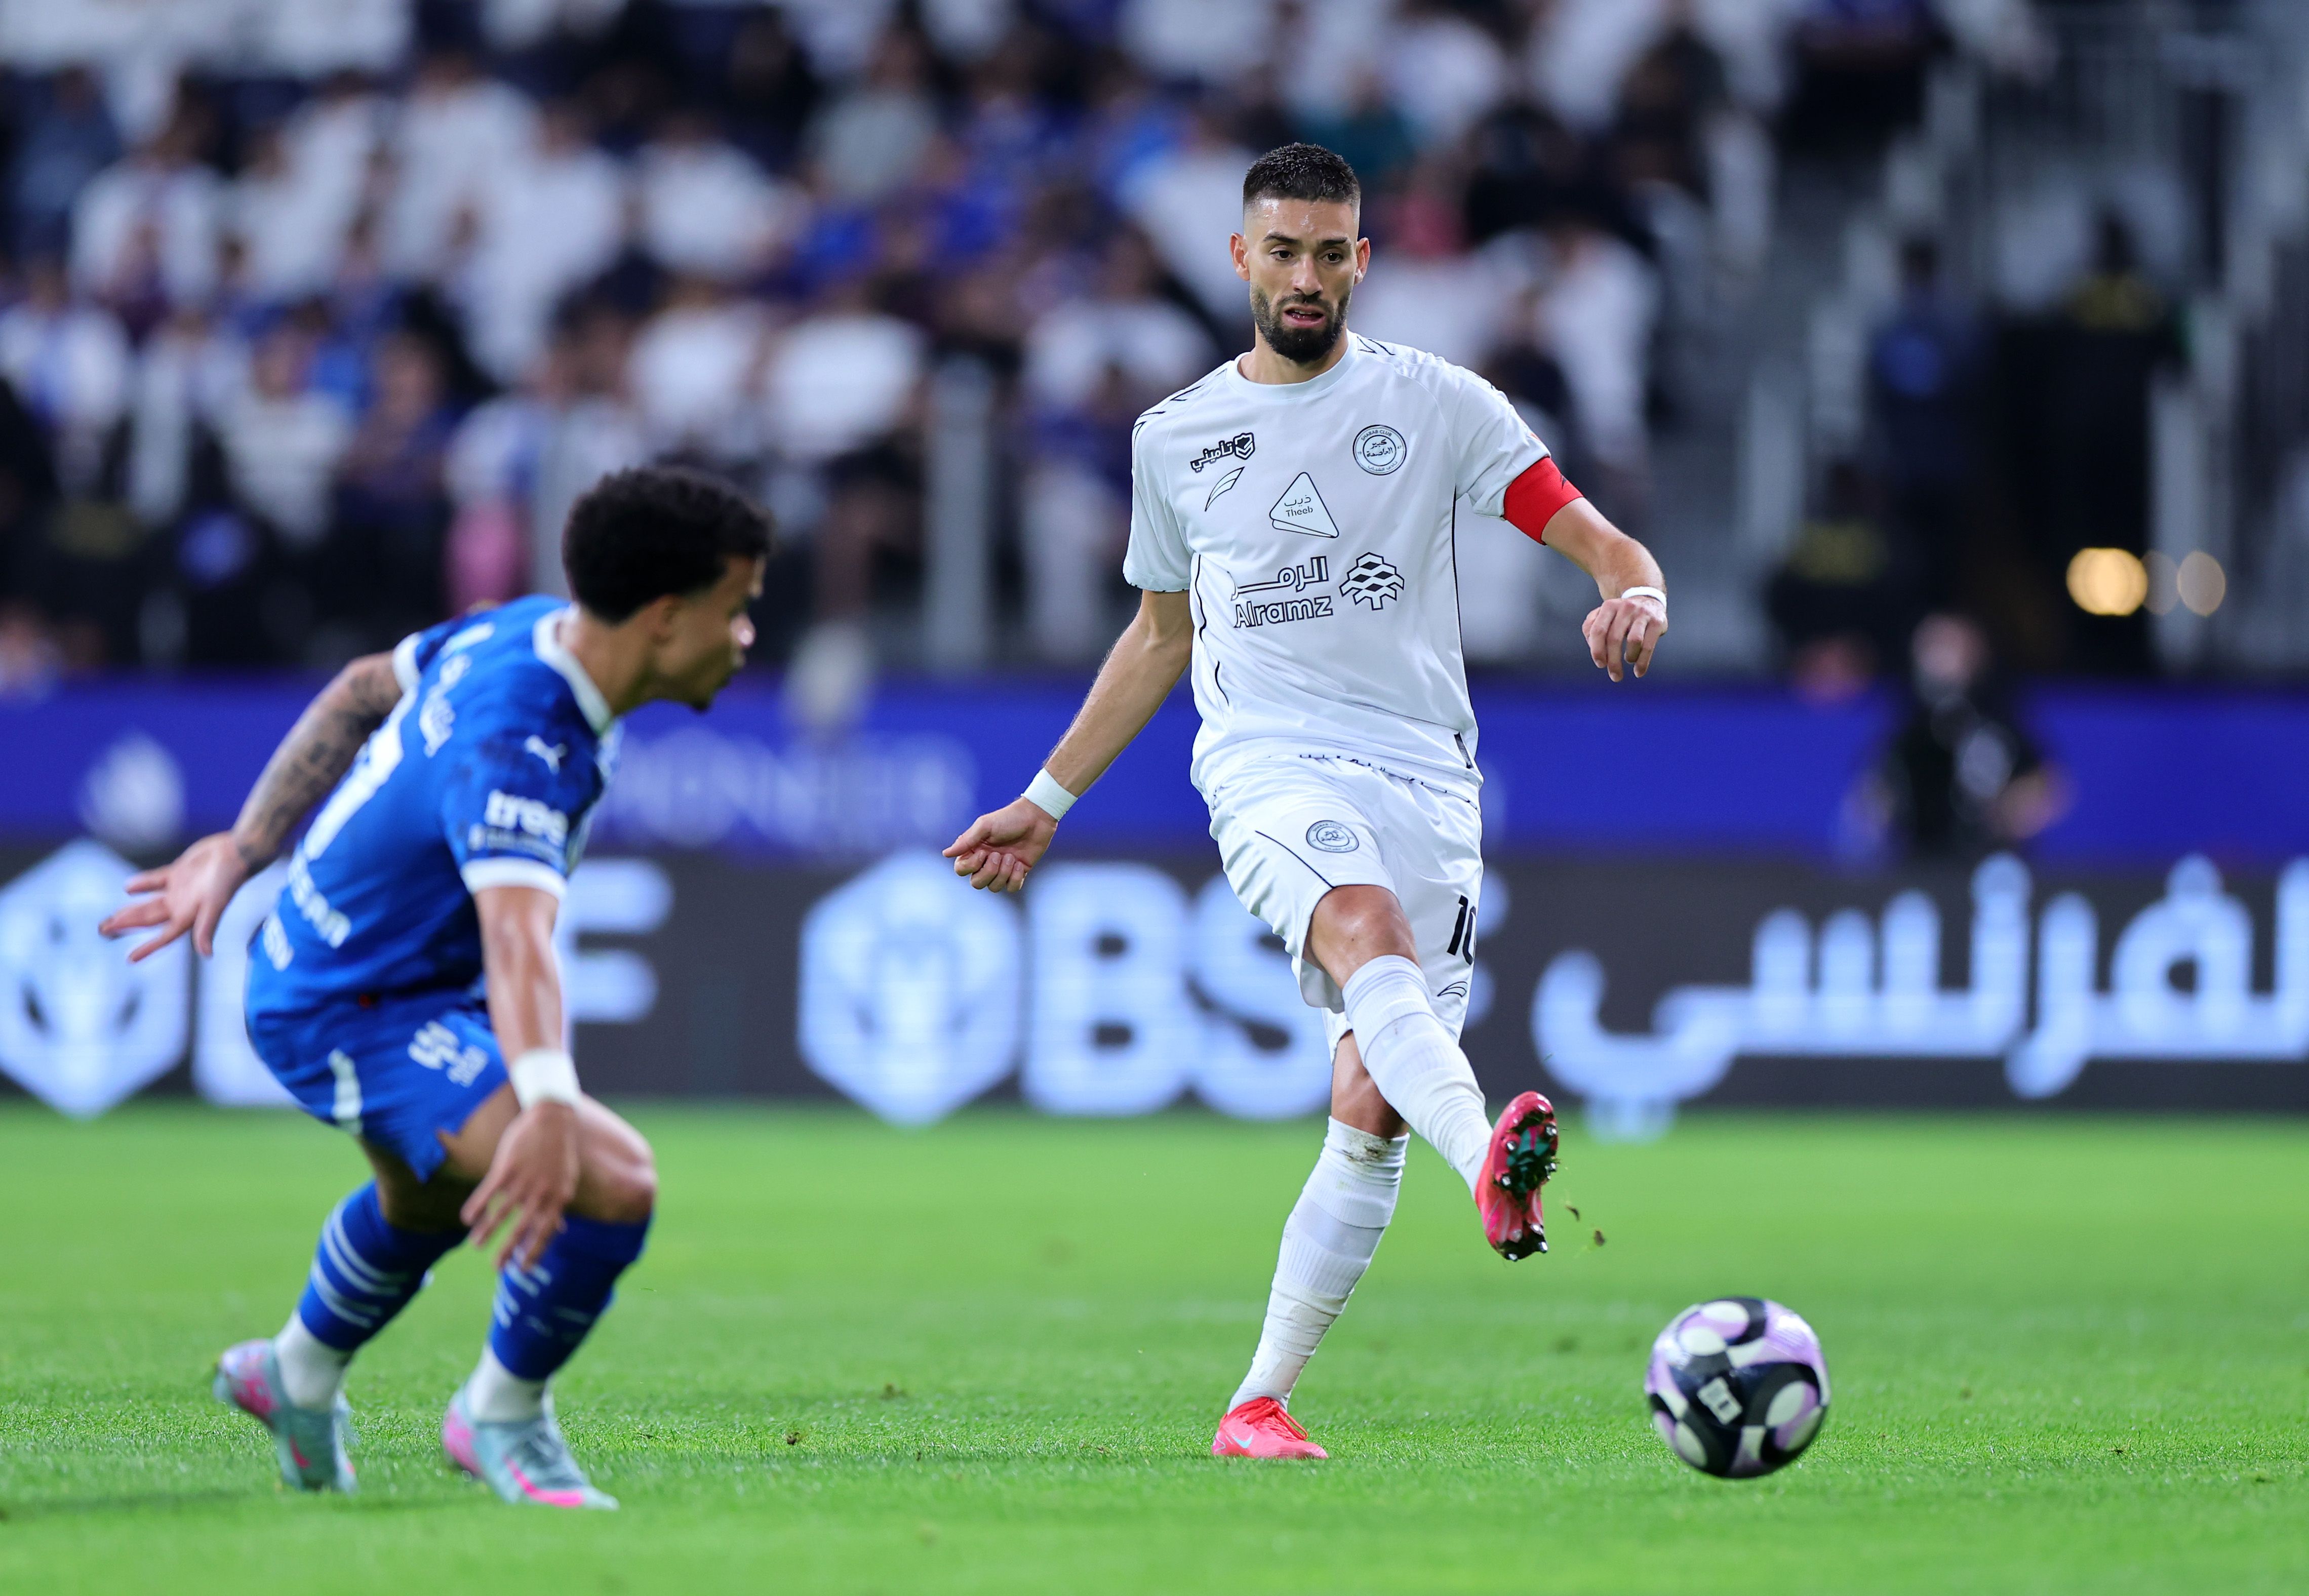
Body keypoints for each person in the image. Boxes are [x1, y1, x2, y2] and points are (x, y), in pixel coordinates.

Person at [942, 144, 1669, 1461]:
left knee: (1374, 1100)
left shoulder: (1441, 405)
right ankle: (1490, 1173)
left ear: (1361, 263)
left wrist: (1638, 589)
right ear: (1241, 259)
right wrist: (1047, 797)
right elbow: (1159, 637)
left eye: (1331, 253)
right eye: (1282, 251)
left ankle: (1257, 1405)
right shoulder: (1175, 439)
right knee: (1360, 927)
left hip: (1431, 777)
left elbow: (1591, 534)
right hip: (1270, 759)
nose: (1306, 277)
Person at [100, 466, 771, 1508]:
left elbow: (363, 686)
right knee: (613, 1182)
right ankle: (500, 1415)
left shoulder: (528, 632)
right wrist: (549, 1102)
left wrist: (243, 848)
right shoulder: (523, 737)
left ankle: (295, 1372)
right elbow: (520, 937)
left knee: (424, 1201)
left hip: (386, 977)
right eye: (737, 611)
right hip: (346, 1004)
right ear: (666, 616)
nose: (745, 640)